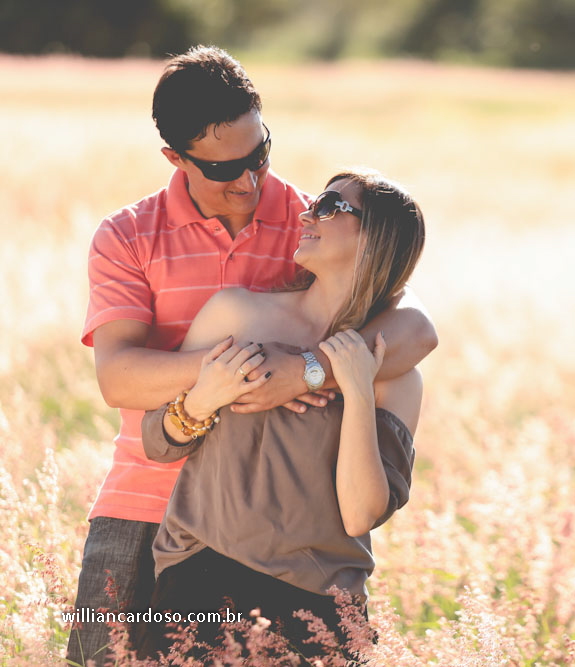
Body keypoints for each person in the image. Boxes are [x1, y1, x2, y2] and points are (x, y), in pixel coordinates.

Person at [68, 46, 437, 665]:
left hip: (272, 530)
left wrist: (306, 369)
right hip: (143, 500)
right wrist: (243, 371)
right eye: (224, 168)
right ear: (175, 158)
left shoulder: (304, 220)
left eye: (259, 155)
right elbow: (119, 378)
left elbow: (417, 327)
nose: (248, 181)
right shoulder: (126, 235)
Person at [135, 168, 425, 660]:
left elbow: (361, 514)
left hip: (320, 604)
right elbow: (157, 441)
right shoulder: (237, 314)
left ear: (377, 238)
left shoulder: (394, 375)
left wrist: (354, 389)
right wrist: (204, 397)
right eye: (315, 202)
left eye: (331, 206)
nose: (308, 213)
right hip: (202, 578)